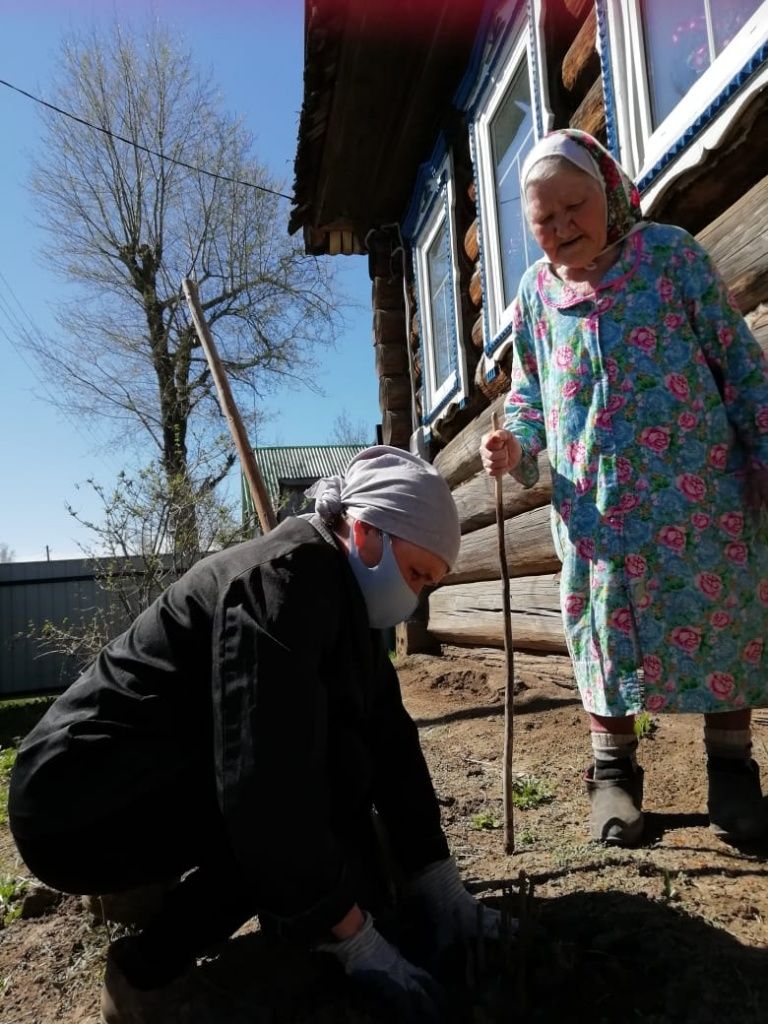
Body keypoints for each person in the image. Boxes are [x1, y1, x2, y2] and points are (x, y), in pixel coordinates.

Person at [9, 445, 496, 1024]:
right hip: (71, 802)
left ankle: (152, 890)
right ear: (368, 531)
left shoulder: (344, 594)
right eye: (416, 574)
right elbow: (265, 791)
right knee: (300, 809)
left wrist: (439, 883)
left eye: (428, 584)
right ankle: (142, 974)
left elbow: (389, 737)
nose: (414, 596)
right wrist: (356, 939)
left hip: (138, 771)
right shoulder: (283, 584)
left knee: (338, 778)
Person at [480, 128, 768, 848]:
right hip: (596, 514)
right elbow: (529, 394)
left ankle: (732, 773)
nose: (562, 226)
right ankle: (613, 773)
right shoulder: (534, 295)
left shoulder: (670, 256)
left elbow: (737, 360)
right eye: (544, 219)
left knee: (721, 619)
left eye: (574, 206)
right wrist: (516, 442)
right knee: (606, 638)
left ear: (609, 193)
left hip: (699, 496)